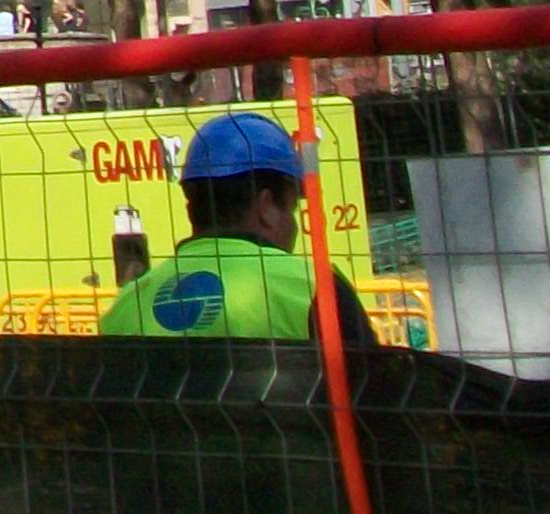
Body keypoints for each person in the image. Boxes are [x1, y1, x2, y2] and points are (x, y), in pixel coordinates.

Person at [97, 111, 383, 348]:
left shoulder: (127, 304)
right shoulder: (316, 288)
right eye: (292, 209)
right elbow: (373, 400)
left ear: (192, 208)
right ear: (267, 206)